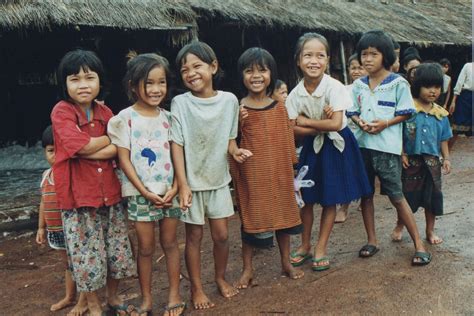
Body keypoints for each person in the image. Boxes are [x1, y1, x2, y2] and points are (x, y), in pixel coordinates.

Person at [51, 49, 135, 316]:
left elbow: (121, 146)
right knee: (87, 254)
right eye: (74, 79)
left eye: (89, 77)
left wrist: (88, 148)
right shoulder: (61, 111)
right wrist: (105, 143)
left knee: (116, 248)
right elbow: (80, 145)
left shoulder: (106, 111)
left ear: (100, 81)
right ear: (64, 83)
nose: (83, 84)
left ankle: (112, 296)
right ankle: (93, 303)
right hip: (79, 198)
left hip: (109, 193)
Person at [170, 41, 252, 309]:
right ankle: (196, 287)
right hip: (192, 183)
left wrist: (237, 152)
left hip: (219, 181)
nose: (191, 73)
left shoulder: (229, 101)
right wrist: (183, 184)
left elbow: (229, 140)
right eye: (185, 70)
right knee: (194, 237)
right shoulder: (180, 103)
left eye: (197, 66)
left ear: (213, 67)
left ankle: (220, 277)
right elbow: (177, 145)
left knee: (222, 236)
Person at [286, 33, 372, 271]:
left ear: (327, 59)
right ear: (298, 60)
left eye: (320, 55)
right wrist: (315, 123)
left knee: (330, 198)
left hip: (336, 145)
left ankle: (321, 247)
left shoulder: (334, 87)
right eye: (308, 55)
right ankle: (305, 245)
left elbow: (335, 125)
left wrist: (306, 121)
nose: (314, 61)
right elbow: (291, 129)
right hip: (312, 148)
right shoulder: (295, 94)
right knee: (306, 199)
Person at [107, 52, 185, 316]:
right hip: (141, 194)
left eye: (160, 82)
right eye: (148, 83)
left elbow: (177, 155)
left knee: (171, 243)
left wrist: (175, 186)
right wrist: (143, 191)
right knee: (146, 248)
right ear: (133, 85)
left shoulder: (169, 118)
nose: (155, 89)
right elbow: (124, 160)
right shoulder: (123, 119)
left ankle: (174, 294)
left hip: (169, 192)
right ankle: (147, 299)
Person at [347, 30, 431, 266]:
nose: (367, 59)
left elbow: (406, 112)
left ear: (385, 56)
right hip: (362, 146)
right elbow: (351, 111)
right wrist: (359, 122)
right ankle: (372, 240)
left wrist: (385, 123)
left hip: (387, 149)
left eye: (373, 54)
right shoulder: (358, 85)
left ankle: (419, 245)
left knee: (396, 195)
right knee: (366, 195)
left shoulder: (398, 83)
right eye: (364, 54)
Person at [230, 47, 304, 288]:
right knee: (251, 219)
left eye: (262, 70)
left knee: (283, 216)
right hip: (252, 174)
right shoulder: (238, 109)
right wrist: (238, 125)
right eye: (249, 71)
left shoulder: (279, 107)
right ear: (241, 75)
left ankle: (286, 262)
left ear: (271, 73)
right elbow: (231, 143)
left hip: (279, 172)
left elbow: (287, 138)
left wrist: (292, 166)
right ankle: (247, 269)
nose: (256, 76)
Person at [390, 63, 452, 245]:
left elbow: (444, 139)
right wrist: (402, 154)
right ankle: (400, 225)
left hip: (432, 162)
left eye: (437, 87)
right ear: (417, 86)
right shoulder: (408, 111)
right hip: (411, 161)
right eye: (428, 86)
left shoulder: (441, 114)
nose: (433, 91)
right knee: (406, 197)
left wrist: (446, 158)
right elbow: (399, 133)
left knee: (432, 198)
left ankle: (430, 230)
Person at [35, 125, 88, 315]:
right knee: (67, 265)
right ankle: (69, 296)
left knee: (81, 264)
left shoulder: (72, 174)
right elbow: (43, 202)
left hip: (74, 230)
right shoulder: (45, 176)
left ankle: (84, 300)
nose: (54, 155)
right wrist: (41, 228)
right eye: (50, 151)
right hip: (55, 232)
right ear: (44, 152)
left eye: (59, 150)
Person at [335, 53, 369, 223]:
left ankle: (364, 199)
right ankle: (344, 205)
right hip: (348, 136)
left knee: (365, 170)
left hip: (368, 136)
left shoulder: (370, 89)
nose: (356, 71)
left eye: (360, 67)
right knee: (346, 170)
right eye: (353, 68)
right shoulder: (344, 89)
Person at [449, 62, 473, 149]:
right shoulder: (468, 66)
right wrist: (453, 102)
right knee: (456, 129)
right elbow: (459, 83)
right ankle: (445, 155)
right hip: (465, 98)